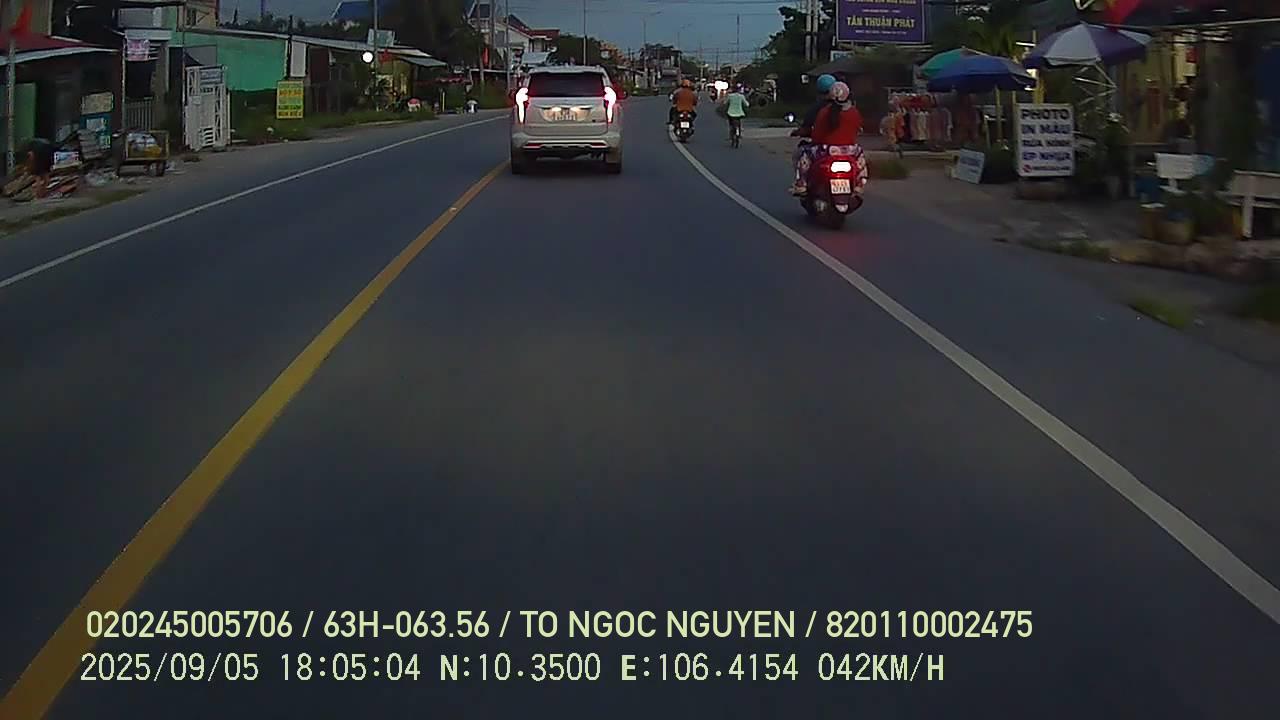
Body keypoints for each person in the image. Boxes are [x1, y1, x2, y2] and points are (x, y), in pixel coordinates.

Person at [793, 81, 864, 196]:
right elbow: (858, 130)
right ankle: (859, 184)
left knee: (804, 155)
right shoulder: (854, 112)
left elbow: (816, 134)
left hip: (826, 150)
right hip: (849, 151)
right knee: (860, 161)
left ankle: (801, 184)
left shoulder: (824, 112)